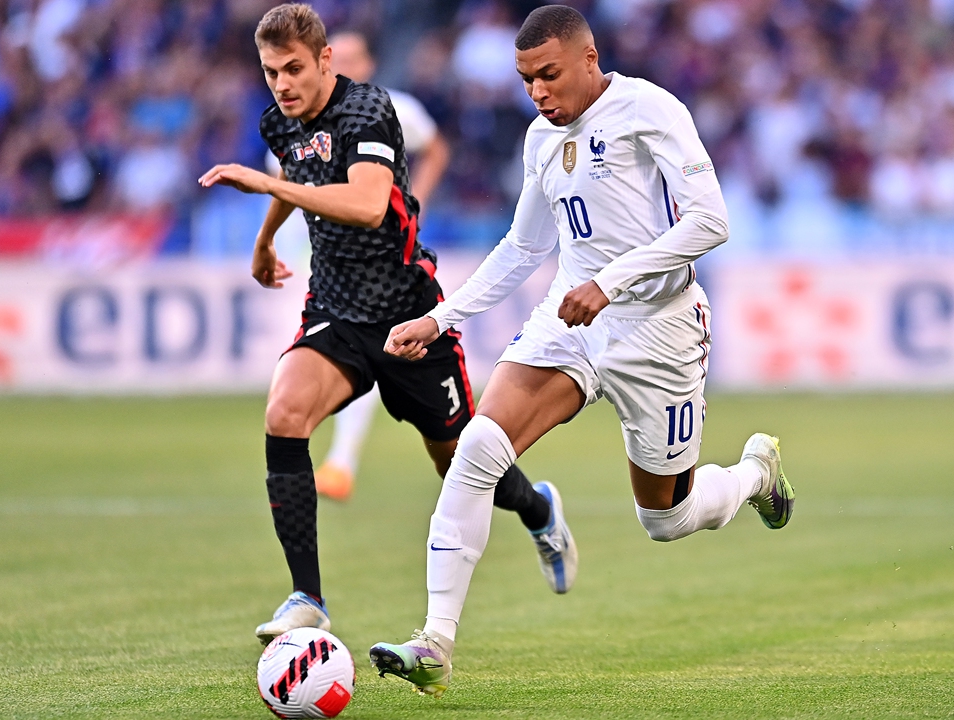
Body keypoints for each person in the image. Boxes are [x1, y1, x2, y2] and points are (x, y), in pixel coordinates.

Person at [367, 5, 795, 698]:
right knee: (478, 449)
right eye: (526, 79)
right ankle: (435, 641)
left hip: (660, 328)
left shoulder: (649, 108)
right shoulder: (541, 139)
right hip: (573, 319)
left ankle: (753, 473)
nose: (537, 92)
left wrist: (613, 279)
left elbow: (712, 219)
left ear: (589, 59)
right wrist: (439, 316)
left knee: (667, 517)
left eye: (549, 75)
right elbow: (524, 247)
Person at [198, 3, 576, 645]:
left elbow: (370, 205)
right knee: (284, 415)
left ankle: (539, 509)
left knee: (459, 462)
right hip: (336, 310)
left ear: (324, 60)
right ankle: (307, 598)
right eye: (270, 72)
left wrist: (267, 191)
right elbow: (299, 171)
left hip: (411, 320)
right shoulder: (279, 120)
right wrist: (265, 241)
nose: (282, 84)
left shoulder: (371, 110)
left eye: (294, 68)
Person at [312, 29, 452, 503]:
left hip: (385, 250)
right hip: (330, 251)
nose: (344, 66)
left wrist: (418, 202)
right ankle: (342, 459)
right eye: (336, 58)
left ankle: (341, 462)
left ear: (370, 65)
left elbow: (436, 149)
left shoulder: (395, 109)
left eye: (353, 57)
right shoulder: (309, 115)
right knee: (358, 345)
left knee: (371, 342)